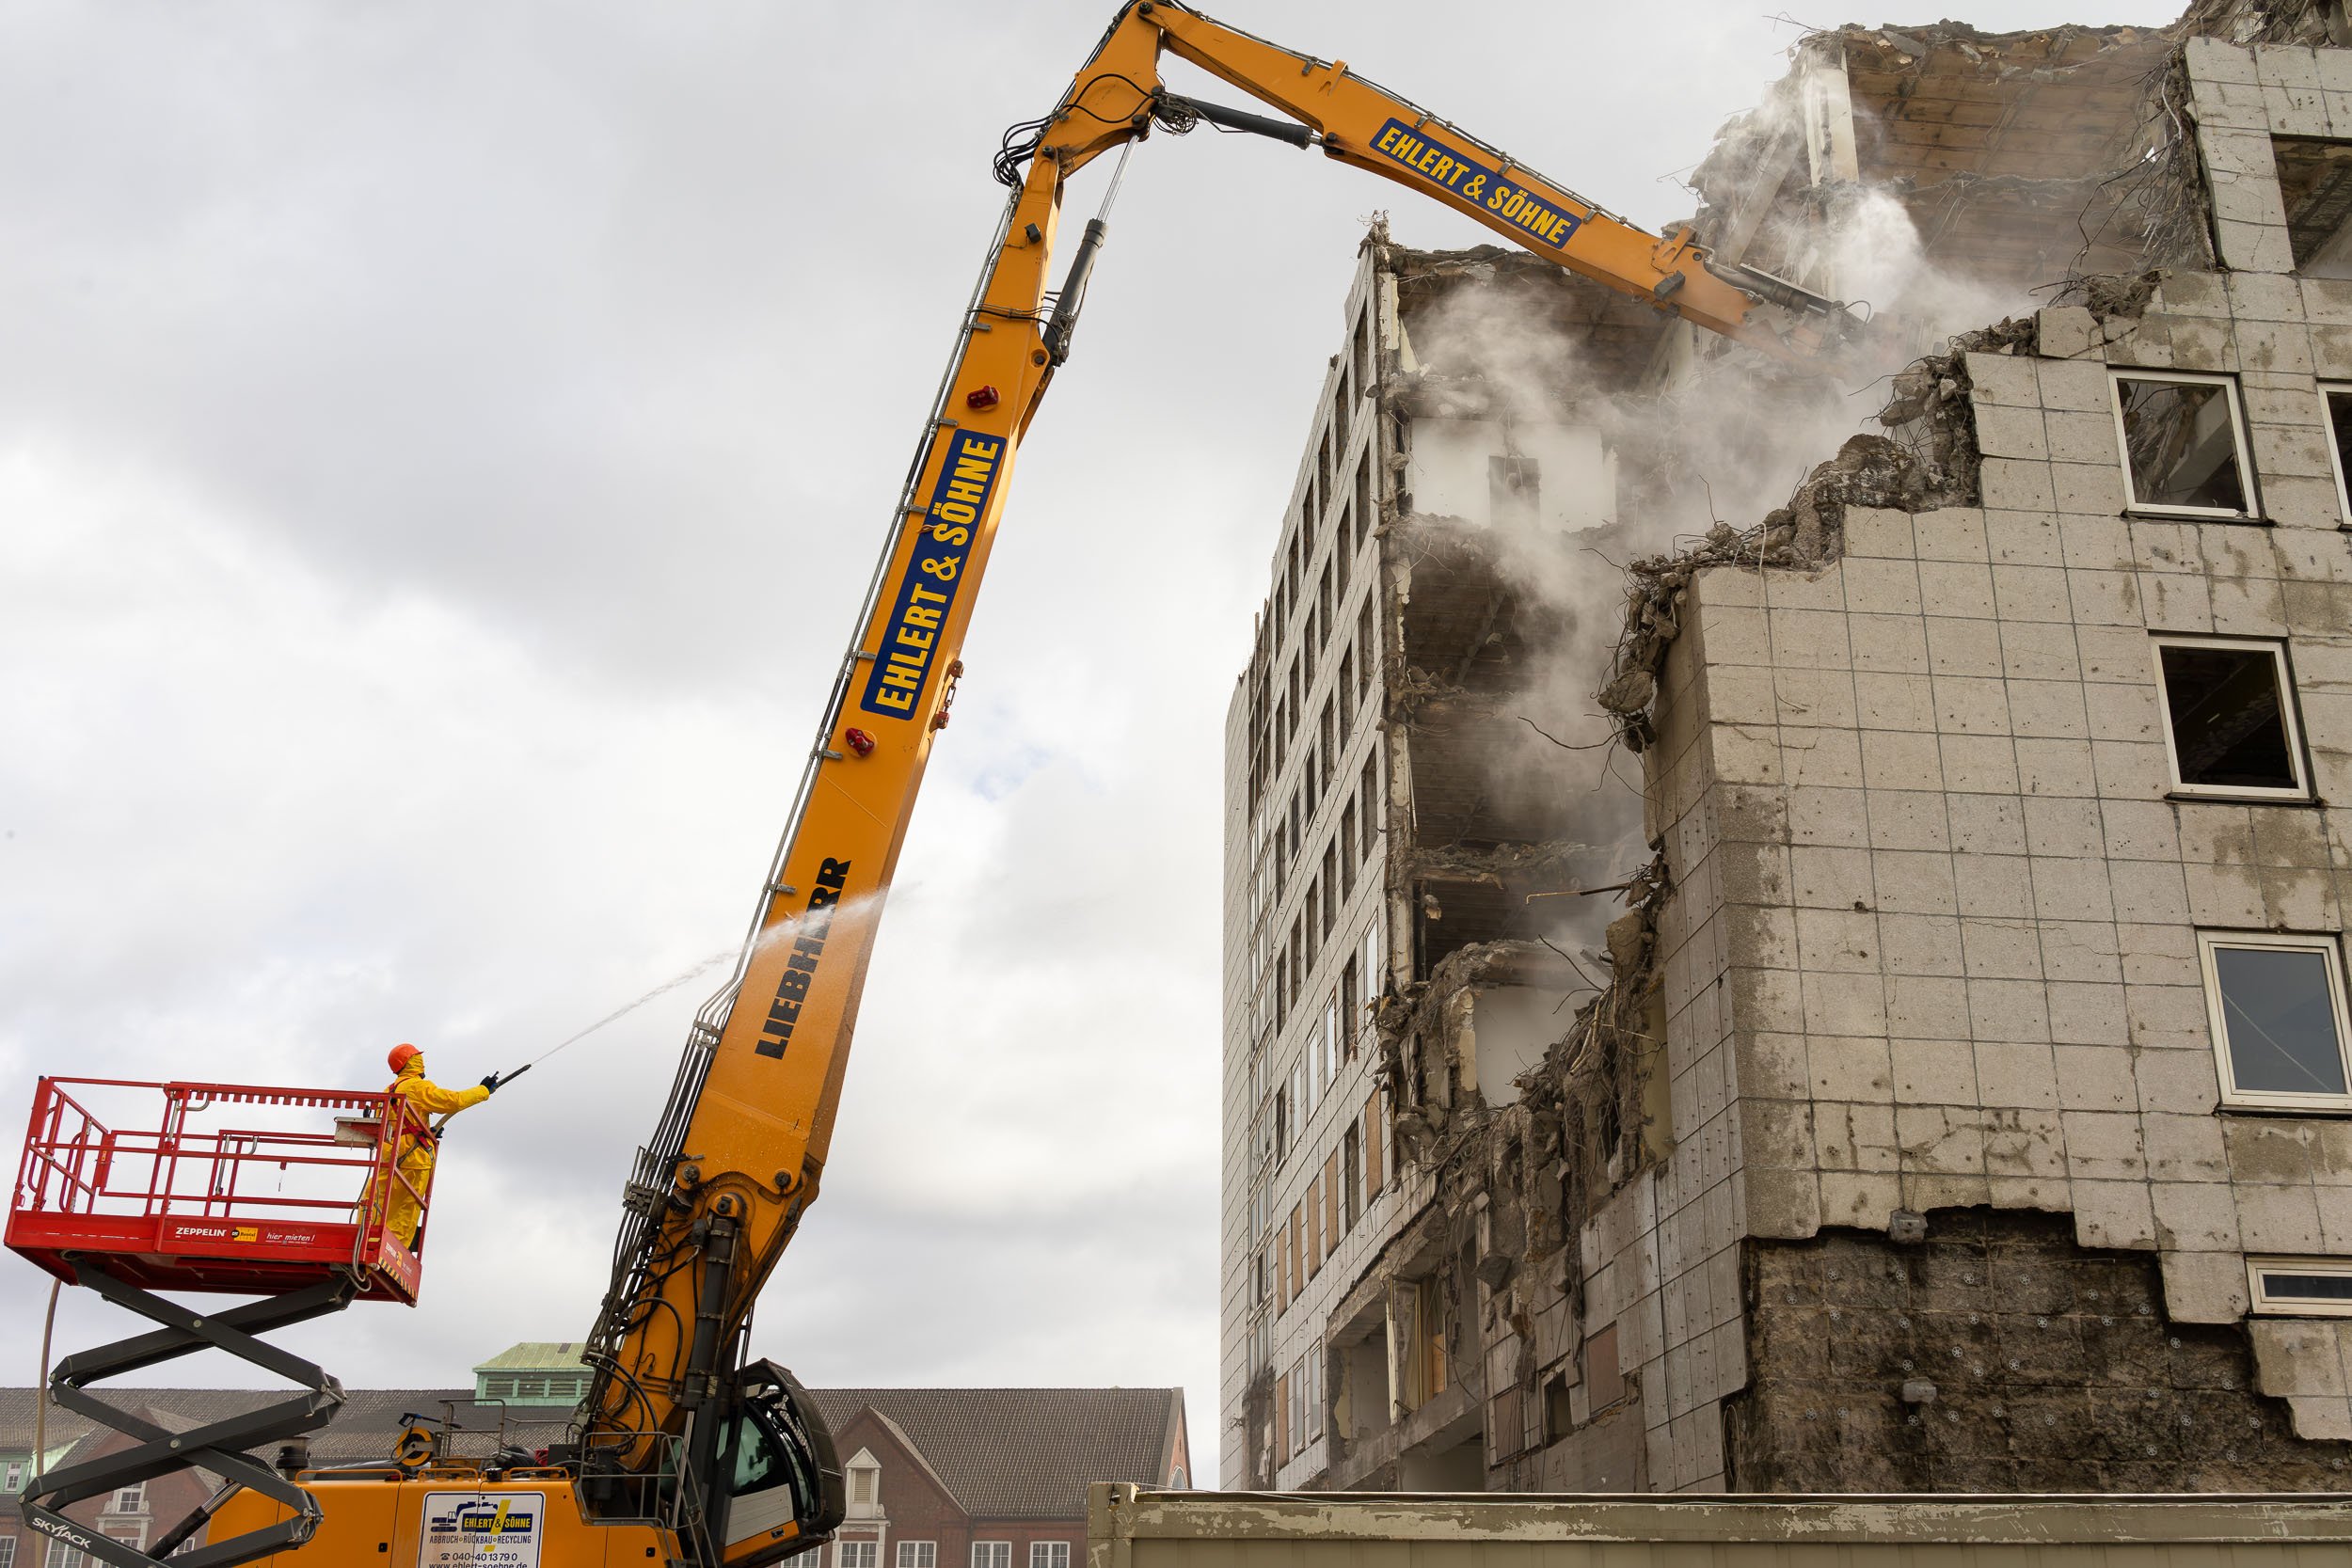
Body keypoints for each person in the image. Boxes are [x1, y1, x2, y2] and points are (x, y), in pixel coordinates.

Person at [374, 1042, 503, 1249]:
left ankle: (368, 1243)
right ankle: (393, 1252)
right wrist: (483, 1090)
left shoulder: (388, 1091)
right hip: (413, 1161)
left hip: (389, 1158)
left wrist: (428, 1132)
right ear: (413, 1062)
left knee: (379, 1206)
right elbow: (453, 1101)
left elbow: (399, 1123)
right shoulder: (417, 1087)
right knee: (405, 1212)